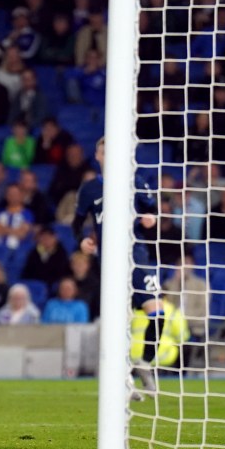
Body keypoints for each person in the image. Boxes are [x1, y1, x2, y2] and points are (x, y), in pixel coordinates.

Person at [73, 137, 160, 398]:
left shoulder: (136, 181)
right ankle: (124, 380)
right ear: (97, 156)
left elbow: (153, 211)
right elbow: (76, 224)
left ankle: (144, 363)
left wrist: (151, 219)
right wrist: (83, 242)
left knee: (157, 312)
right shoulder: (89, 189)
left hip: (138, 254)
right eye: (104, 152)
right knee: (119, 321)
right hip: (109, 259)